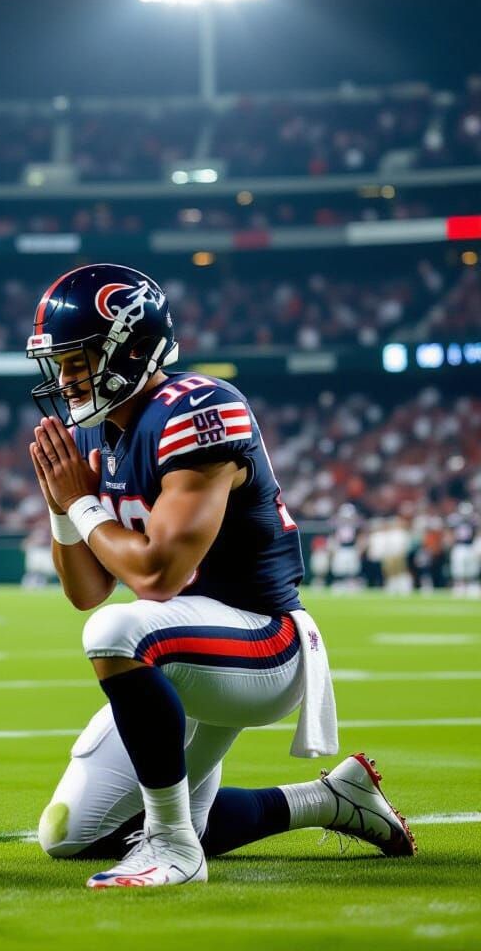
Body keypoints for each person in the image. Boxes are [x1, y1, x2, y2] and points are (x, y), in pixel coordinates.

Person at [26, 264, 414, 890]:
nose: (66, 379)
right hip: (184, 647)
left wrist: (83, 504)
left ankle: (175, 848)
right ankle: (332, 799)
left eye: (79, 360)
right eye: (61, 363)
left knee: (118, 630)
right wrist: (62, 506)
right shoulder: (105, 432)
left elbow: (154, 575)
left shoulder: (200, 408)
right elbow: (85, 589)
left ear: (129, 347)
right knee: (72, 834)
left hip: (262, 641)